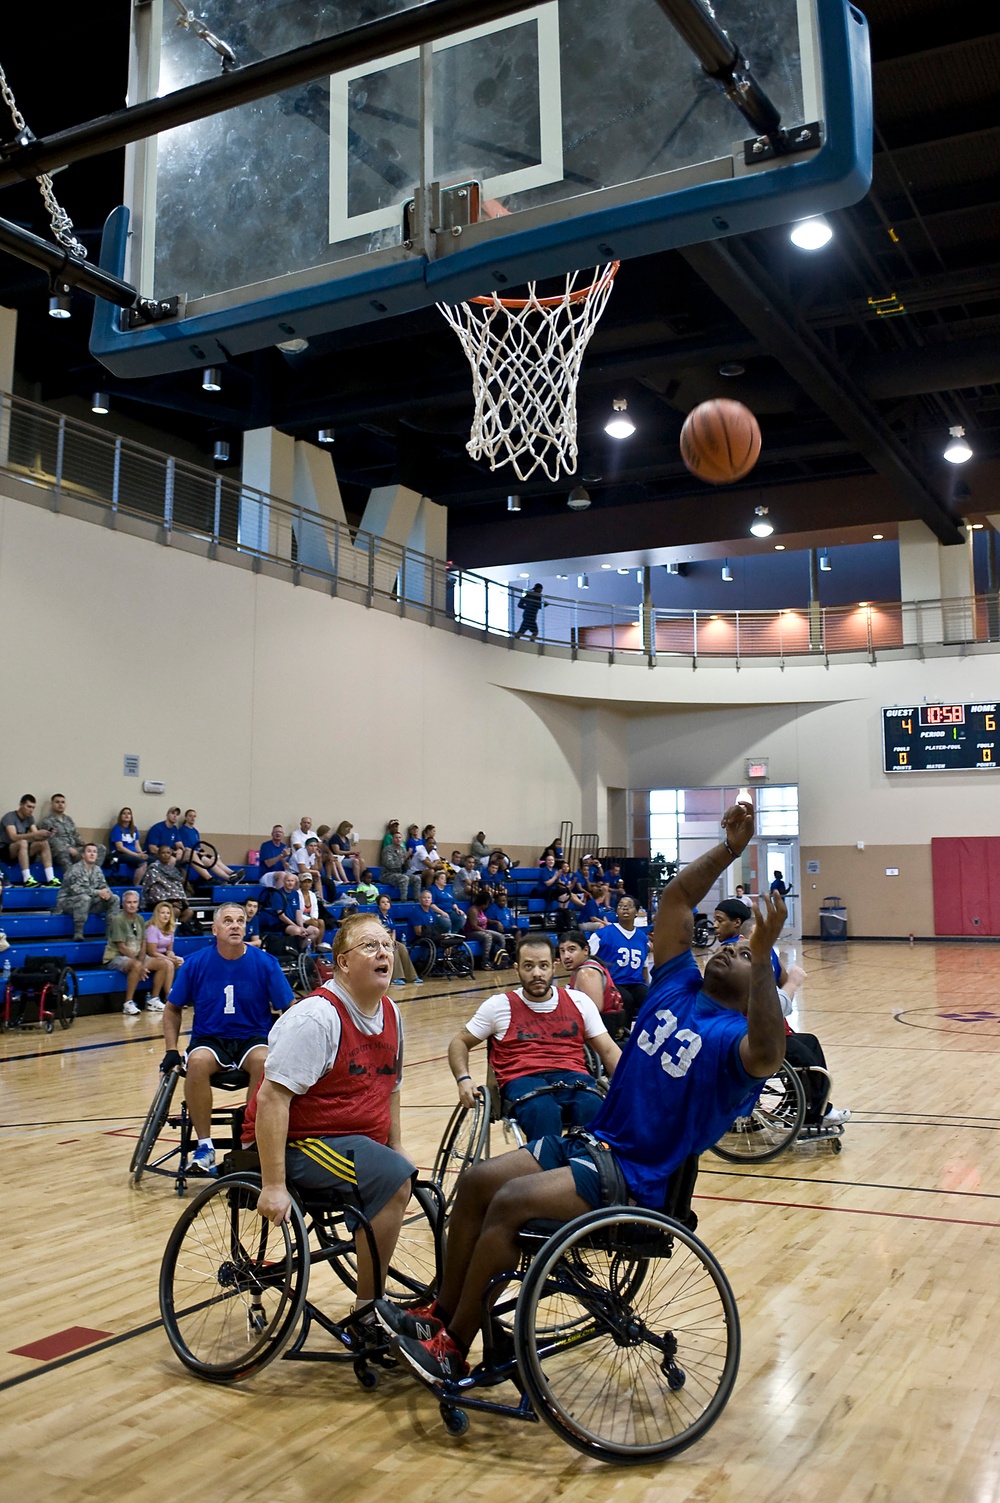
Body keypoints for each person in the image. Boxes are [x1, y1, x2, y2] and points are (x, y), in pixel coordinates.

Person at [375, 801, 786, 1385]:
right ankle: (438, 1312)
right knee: (475, 1182)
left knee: (512, 1201)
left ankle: (453, 1344)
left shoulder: (736, 1040)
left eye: (744, 955)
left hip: (638, 1177)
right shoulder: (677, 985)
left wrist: (766, 962)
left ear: (754, 989)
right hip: (595, 1144)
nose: (729, 948)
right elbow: (673, 902)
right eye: (732, 944)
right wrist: (729, 850)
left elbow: (770, 1053)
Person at [247, 912, 417, 1324]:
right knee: (394, 1178)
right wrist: (272, 1185)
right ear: (343, 962)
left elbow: (390, 1088)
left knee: (401, 1171)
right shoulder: (316, 1017)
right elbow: (271, 1099)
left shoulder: (390, 1012)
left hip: (354, 1141)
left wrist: (396, 1145)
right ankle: (367, 1311)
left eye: (387, 944)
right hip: (300, 1143)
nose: (384, 953)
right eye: (370, 946)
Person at [162, 902, 294, 1174]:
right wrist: (171, 1049)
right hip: (210, 1038)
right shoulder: (196, 963)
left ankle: (250, 1142)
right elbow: (173, 1008)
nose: (235, 925)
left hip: (252, 1036)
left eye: (240, 921)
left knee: (264, 1060)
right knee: (196, 1062)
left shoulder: (265, 963)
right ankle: (205, 1146)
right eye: (228, 921)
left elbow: (289, 1009)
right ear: (215, 929)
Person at [448, 931, 620, 1137]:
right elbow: (459, 1042)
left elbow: (609, 1051)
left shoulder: (579, 1002)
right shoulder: (498, 1006)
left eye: (543, 966)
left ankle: (581, 1162)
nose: (537, 973)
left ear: (553, 967)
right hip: (522, 1079)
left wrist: (628, 1090)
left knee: (593, 1105)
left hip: (573, 1077)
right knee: (543, 1111)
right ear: (517, 969)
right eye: (528, 966)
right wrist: (463, 1079)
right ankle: (548, 1166)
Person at [104, 888, 172, 1014]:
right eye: (129, 902)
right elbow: (121, 947)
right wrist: (138, 963)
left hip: (136, 957)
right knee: (136, 965)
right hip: (116, 957)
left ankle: (154, 999)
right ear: (123, 904)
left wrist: (141, 961)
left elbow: (143, 942)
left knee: (162, 964)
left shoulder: (140, 919)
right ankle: (128, 1003)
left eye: (135, 902)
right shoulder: (118, 920)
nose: (132, 905)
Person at [587, 895, 649, 1023]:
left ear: (636, 912)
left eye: (629, 906)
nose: (625, 908)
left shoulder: (642, 938)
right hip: (613, 983)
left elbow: (644, 966)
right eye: (621, 906)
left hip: (635, 983)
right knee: (626, 999)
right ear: (616, 912)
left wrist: (647, 985)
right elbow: (586, 957)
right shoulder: (602, 934)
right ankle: (622, 1033)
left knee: (650, 997)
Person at [557, 929, 626, 1039]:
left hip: (603, 1031)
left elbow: (594, 1011)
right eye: (562, 951)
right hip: (609, 1025)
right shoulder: (587, 967)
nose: (566, 956)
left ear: (585, 950)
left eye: (571, 950)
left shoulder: (587, 972)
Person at [55, 843, 120, 941]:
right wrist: (98, 893)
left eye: (94, 852)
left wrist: (107, 893)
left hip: (89, 902)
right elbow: (76, 890)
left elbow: (104, 886)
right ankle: (78, 932)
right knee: (84, 898)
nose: (92, 854)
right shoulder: (75, 869)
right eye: (89, 851)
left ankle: (110, 933)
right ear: (83, 855)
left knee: (114, 898)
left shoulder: (97, 870)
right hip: (68, 902)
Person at [176, 809, 244, 885]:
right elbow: (184, 848)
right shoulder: (182, 830)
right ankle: (228, 878)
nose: (192, 818)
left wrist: (202, 851)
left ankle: (231, 873)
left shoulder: (195, 831)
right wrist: (197, 852)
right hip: (191, 855)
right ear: (186, 818)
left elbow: (198, 846)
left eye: (194, 816)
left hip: (198, 853)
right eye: (190, 816)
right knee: (209, 862)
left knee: (214, 858)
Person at [2, 794, 57, 887]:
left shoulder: (30, 818)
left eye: (33, 808)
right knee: (23, 842)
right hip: (6, 850)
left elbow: (36, 836)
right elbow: (13, 837)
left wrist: (45, 835)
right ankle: (27, 879)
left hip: (22, 849)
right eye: (28, 807)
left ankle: (51, 879)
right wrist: (34, 834)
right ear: (21, 805)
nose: (31, 810)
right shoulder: (9, 817)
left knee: (43, 843)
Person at [376, 894, 421, 985]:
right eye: (383, 902)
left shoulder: (389, 916)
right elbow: (377, 933)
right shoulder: (376, 917)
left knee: (402, 947)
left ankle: (411, 976)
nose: (386, 904)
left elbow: (393, 930)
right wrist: (389, 942)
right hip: (380, 941)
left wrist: (393, 940)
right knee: (394, 949)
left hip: (389, 940)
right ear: (379, 905)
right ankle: (396, 977)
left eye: (387, 902)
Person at [141, 846, 194, 923]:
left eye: (168, 853)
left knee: (189, 912)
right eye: (163, 853)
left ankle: (177, 930)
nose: (166, 855)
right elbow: (153, 891)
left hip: (174, 901)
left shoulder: (174, 871)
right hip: (158, 902)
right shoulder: (153, 870)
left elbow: (178, 889)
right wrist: (170, 903)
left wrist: (180, 901)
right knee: (175, 911)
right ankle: (166, 932)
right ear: (158, 855)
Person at [145, 899, 185, 996]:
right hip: (150, 956)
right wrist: (170, 959)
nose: (166, 915)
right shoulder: (152, 928)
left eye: (168, 913)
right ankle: (169, 995)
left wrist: (173, 957)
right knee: (169, 963)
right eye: (162, 913)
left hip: (163, 955)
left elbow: (169, 950)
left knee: (182, 962)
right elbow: (152, 952)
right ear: (157, 914)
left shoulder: (171, 928)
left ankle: (178, 992)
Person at [45, 794, 90, 875]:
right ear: (52, 804)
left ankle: (91, 876)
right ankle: (72, 879)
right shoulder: (48, 821)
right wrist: (67, 847)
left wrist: (84, 844)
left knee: (99, 848)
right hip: (59, 851)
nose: (60, 804)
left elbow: (75, 834)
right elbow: (51, 840)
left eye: (62, 802)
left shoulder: (68, 819)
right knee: (62, 851)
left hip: (74, 848)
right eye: (57, 802)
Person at [109, 806, 147, 883]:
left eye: (129, 813)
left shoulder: (134, 829)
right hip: (121, 854)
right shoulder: (117, 829)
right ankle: (136, 885)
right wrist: (136, 855)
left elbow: (137, 844)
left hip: (134, 853)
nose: (127, 815)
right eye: (124, 813)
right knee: (142, 862)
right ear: (120, 816)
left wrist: (140, 853)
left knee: (152, 860)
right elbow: (120, 847)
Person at [381, 830, 421, 900]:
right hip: (387, 875)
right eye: (396, 838)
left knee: (416, 878)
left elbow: (406, 867)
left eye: (400, 838)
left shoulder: (403, 850)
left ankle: (417, 899)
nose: (398, 839)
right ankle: (403, 901)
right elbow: (389, 865)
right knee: (404, 878)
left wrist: (408, 860)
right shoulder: (387, 850)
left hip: (399, 874)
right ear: (392, 839)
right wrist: (404, 858)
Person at [295, 871, 330, 951]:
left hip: (310, 918)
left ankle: (318, 945)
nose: (307, 884)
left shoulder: (312, 894)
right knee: (315, 923)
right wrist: (308, 920)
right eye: (304, 882)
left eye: (309, 882)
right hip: (300, 918)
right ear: (300, 883)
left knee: (321, 922)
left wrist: (313, 918)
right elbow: (298, 911)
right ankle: (312, 946)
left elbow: (315, 909)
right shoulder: (297, 894)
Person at [463, 902, 504, 969]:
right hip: (471, 933)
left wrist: (496, 922)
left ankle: (499, 958)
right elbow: (474, 926)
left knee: (500, 937)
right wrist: (485, 931)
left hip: (482, 931)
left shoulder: (481, 910)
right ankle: (485, 962)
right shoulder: (473, 910)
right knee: (488, 937)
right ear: (483, 903)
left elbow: (485, 920)